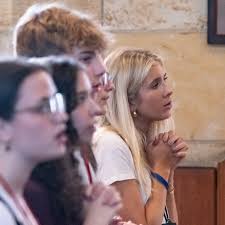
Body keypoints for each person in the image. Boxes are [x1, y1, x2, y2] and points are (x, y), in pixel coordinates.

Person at [94, 48, 189, 225]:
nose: (167, 91)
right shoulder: (111, 145)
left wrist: (167, 174)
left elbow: (169, 223)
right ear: (129, 101)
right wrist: (162, 168)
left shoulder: (145, 143)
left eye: (164, 81)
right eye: (155, 85)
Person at [26, 56, 122, 225]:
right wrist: (96, 219)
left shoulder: (65, 167)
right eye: (81, 98)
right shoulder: (32, 189)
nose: (96, 109)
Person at [0, 58, 68, 225]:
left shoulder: (19, 192)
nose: (62, 117)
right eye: (44, 107)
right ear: (2, 128)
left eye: (56, 103)